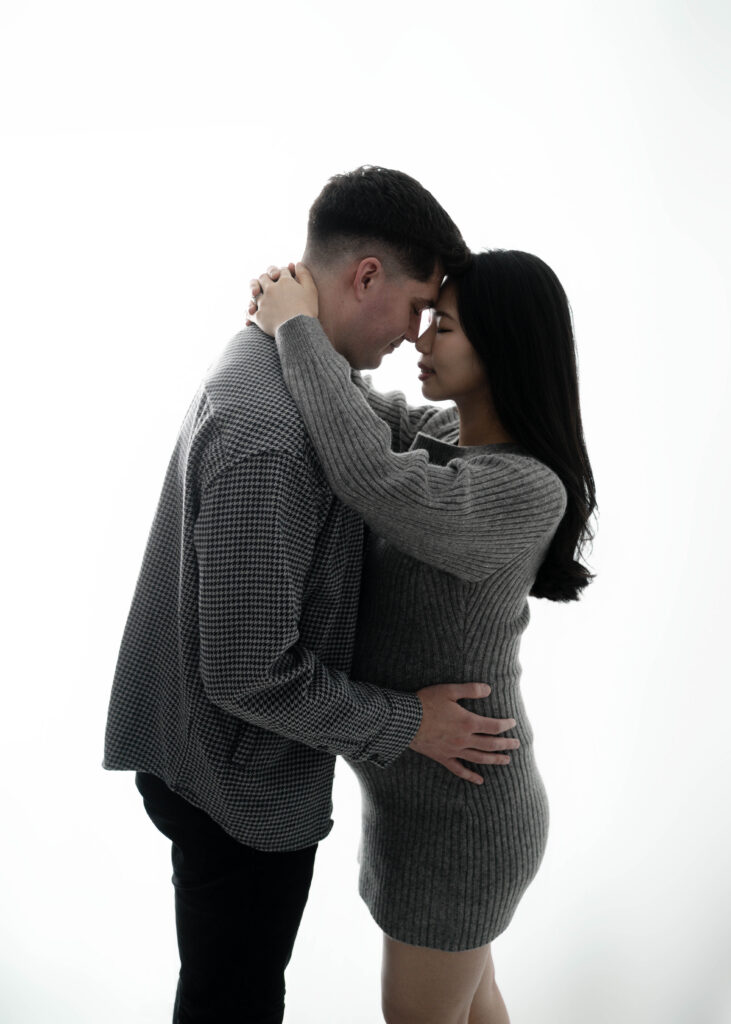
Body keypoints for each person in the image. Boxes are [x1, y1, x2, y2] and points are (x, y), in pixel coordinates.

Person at [103, 166, 522, 1024]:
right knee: (234, 1000)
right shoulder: (272, 434)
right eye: (418, 307)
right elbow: (249, 674)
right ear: (366, 276)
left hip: (210, 756)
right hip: (233, 783)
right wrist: (412, 724)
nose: (416, 337)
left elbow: (375, 431)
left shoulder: (286, 366)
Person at [249, 250, 597, 1024]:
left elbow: (367, 474)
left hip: (463, 825)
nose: (420, 338)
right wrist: (294, 309)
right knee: (474, 1007)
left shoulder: (524, 487)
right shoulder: (444, 434)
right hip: (424, 809)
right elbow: (361, 415)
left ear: (502, 346)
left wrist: (297, 328)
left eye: (444, 325)